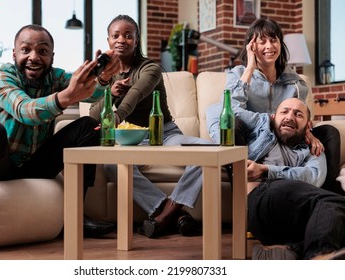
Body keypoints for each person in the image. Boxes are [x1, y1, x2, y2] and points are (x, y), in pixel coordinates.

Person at [0, 24, 121, 252]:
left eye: (43, 51)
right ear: (14, 53)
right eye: (26, 50)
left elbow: (89, 94)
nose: (34, 57)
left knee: (89, 126)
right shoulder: (0, 77)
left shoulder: (55, 77)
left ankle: (75, 216)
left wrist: (103, 78)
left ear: (52, 56)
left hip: (34, 163)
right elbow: (26, 111)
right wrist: (65, 97)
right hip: (0, 165)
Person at [88, 15, 212, 238]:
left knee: (205, 151)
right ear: (108, 40)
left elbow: (135, 94)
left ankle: (166, 215)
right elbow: (93, 114)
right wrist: (110, 92)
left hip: (166, 134)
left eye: (128, 35)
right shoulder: (108, 76)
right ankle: (171, 212)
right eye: (115, 36)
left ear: (136, 40)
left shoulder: (151, 68)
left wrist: (117, 115)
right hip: (133, 139)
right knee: (111, 165)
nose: (121, 40)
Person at [207, 18, 342, 194]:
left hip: (286, 137)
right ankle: (244, 194)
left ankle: (325, 190)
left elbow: (300, 114)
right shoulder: (238, 75)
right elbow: (230, 110)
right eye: (262, 42)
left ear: (280, 43)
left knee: (330, 133)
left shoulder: (295, 82)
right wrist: (249, 68)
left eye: (274, 40)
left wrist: (308, 132)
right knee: (233, 124)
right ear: (251, 47)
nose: (269, 46)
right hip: (255, 139)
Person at [209, 97, 345, 260]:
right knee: (334, 203)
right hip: (262, 199)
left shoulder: (312, 149)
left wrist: (266, 169)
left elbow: (314, 177)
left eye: (298, 115)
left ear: (308, 126)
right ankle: (319, 256)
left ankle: (284, 250)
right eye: (284, 111)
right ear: (273, 117)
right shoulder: (259, 131)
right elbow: (215, 110)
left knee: (335, 209)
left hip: (298, 216)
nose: (289, 117)